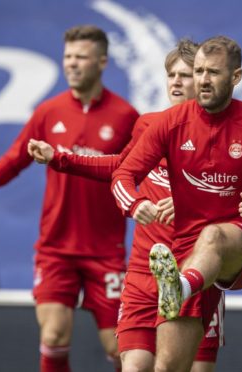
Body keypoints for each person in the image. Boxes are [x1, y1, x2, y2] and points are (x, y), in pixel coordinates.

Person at [111, 35, 242, 371]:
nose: (203, 79)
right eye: (199, 71)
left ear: (236, 77)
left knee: (214, 236)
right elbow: (122, 175)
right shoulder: (170, 123)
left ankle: (181, 286)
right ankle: (182, 286)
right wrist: (134, 205)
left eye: (213, 73)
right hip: (186, 259)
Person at [28, 39, 223, 372]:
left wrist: (195, 203)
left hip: (195, 274)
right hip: (144, 273)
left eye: (185, 75)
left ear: (205, 80)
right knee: (133, 366)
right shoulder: (150, 124)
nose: (175, 82)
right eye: (171, 74)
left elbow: (237, 199)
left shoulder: (226, 137)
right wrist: (60, 158)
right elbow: (121, 166)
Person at [0, 25, 138, 372]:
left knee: (120, 349)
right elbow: (17, 155)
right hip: (55, 248)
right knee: (55, 333)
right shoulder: (49, 111)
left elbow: (141, 168)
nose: (72, 64)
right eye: (68, 57)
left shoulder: (125, 116)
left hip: (105, 251)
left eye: (81, 57)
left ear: (102, 62)